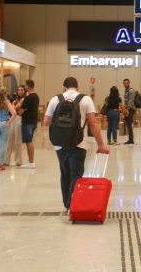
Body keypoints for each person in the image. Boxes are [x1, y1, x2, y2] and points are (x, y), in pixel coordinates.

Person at [43, 77, 110, 210]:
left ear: (64, 87)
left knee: (65, 173)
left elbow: (46, 121)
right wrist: (101, 144)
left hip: (59, 144)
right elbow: (93, 123)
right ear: (77, 87)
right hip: (79, 143)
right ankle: (71, 204)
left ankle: (66, 204)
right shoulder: (85, 99)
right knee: (76, 174)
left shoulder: (55, 99)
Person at [2, 86, 26, 167]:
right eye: (18, 90)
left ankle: (18, 161)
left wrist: (12, 107)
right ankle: (6, 160)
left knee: (17, 140)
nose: (19, 91)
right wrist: (13, 107)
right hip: (12, 119)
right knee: (9, 140)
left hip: (19, 119)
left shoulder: (24, 99)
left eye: (21, 90)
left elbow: (16, 108)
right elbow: (13, 108)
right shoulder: (16, 99)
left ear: (24, 91)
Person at [19, 80, 40, 168]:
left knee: (28, 141)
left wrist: (20, 111)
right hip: (33, 121)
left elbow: (21, 111)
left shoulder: (28, 97)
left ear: (27, 86)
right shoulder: (36, 96)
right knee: (29, 141)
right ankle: (30, 161)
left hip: (27, 122)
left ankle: (31, 162)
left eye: (25, 86)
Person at [122, 78, 139, 145]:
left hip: (130, 109)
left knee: (129, 124)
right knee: (128, 124)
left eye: (127, 83)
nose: (125, 84)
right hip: (127, 109)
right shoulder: (126, 90)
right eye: (124, 83)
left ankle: (131, 140)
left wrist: (126, 111)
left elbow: (130, 102)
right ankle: (130, 139)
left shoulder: (131, 91)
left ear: (129, 83)